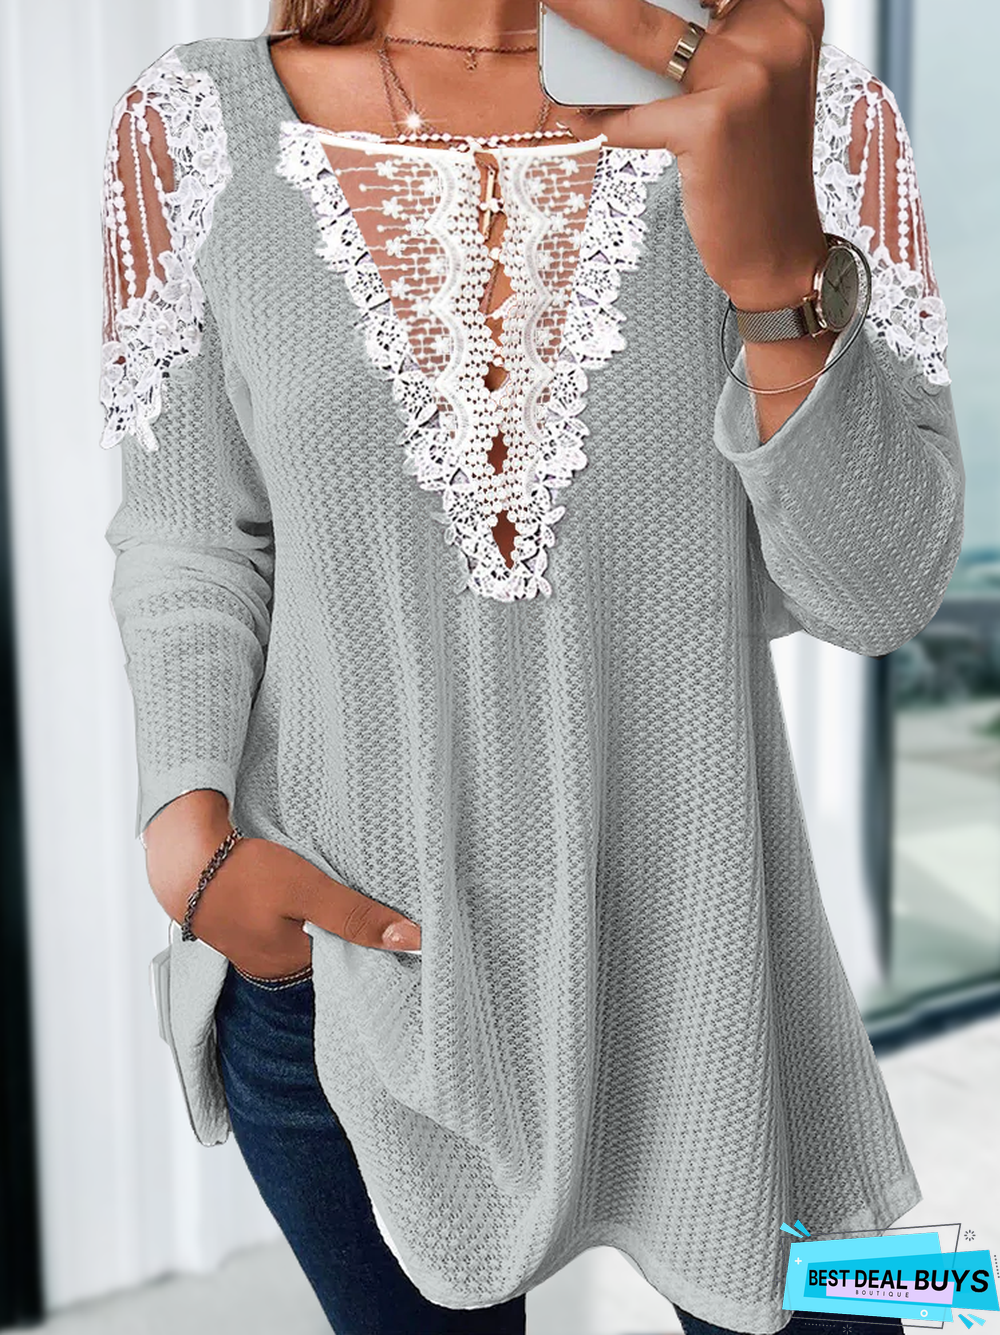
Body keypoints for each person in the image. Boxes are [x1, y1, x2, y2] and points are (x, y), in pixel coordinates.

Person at [99, 0, 964, 1332]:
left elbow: (877, 594)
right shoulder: (194, 123)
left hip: (713, 973)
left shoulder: (815, 118)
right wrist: (187, 841)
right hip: (342, 973)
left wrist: (778, 278)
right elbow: (191, 535)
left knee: (872, 1306)